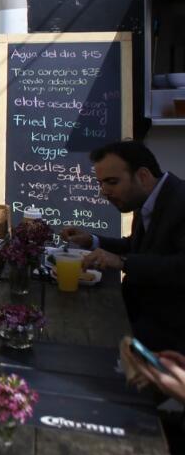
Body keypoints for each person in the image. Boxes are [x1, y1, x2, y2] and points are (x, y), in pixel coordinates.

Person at [60, 141, 185, 352]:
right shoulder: (148, 198)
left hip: (168, 339)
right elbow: (138, 245)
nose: (104, 192)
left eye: (112, 182)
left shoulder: (180, 201)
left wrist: (122, 262)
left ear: (143, 176)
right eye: (101, 183)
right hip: (141, 318)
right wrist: (92, 241)